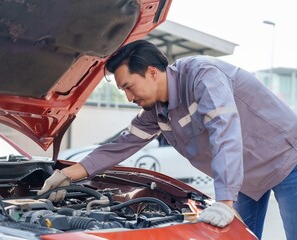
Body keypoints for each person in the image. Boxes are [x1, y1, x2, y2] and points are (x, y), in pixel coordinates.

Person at [37, 40, 297, 239]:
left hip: (287, 162)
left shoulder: (202, 76)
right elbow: (120, 146)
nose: (128, 97)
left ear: (151, 72)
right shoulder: (156, 112)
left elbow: (224, 131)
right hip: (247, 179)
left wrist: (225, 201)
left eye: (128, 86)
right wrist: (68, 174)